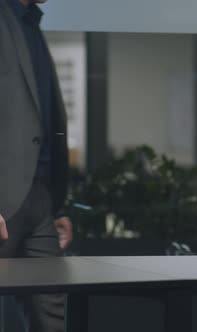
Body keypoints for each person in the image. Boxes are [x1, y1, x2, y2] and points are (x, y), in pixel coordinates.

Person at [0, 0, 73, 331]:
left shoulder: (30, 22)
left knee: (51, 317)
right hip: (3, 199)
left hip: (42, 199)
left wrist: (57, 206)